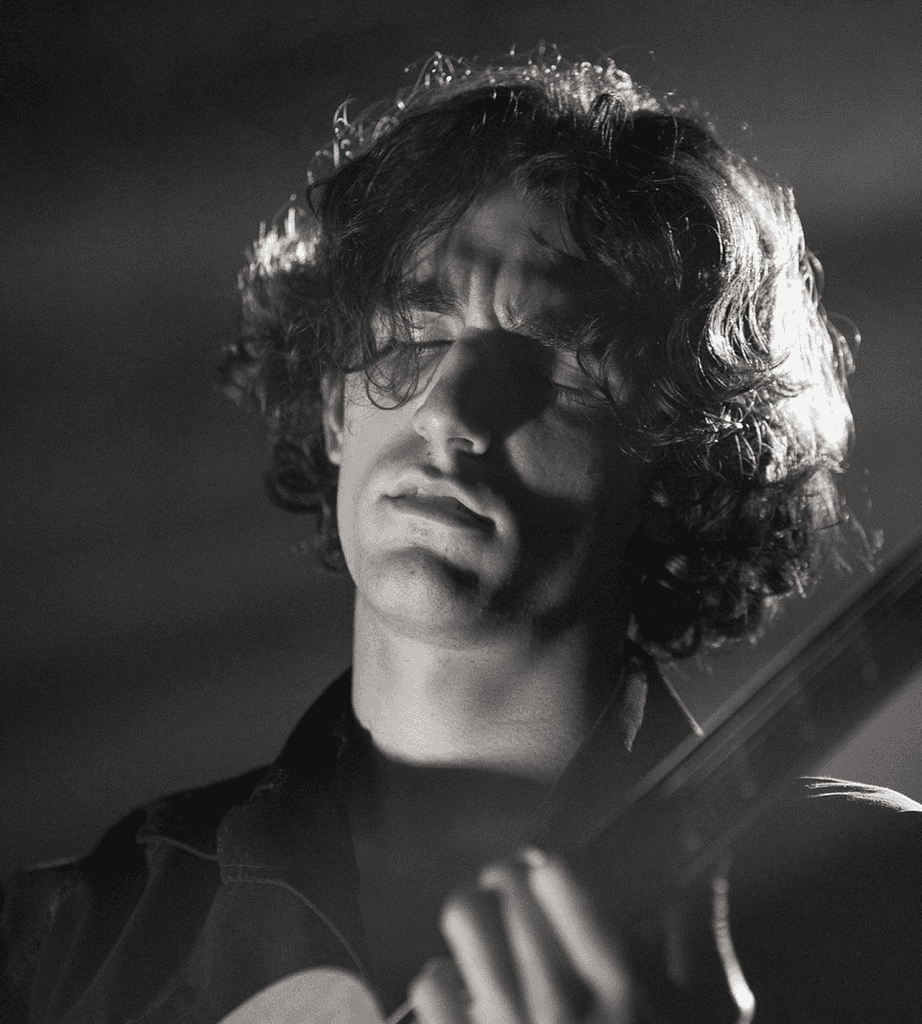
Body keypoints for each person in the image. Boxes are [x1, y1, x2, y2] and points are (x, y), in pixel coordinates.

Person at [3, 53, 921, 1024]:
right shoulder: (69, 943)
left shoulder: (882, 893)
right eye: (412, 338)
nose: (450, 412)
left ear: (679, 469)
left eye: (560, 365)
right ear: (334, 409)